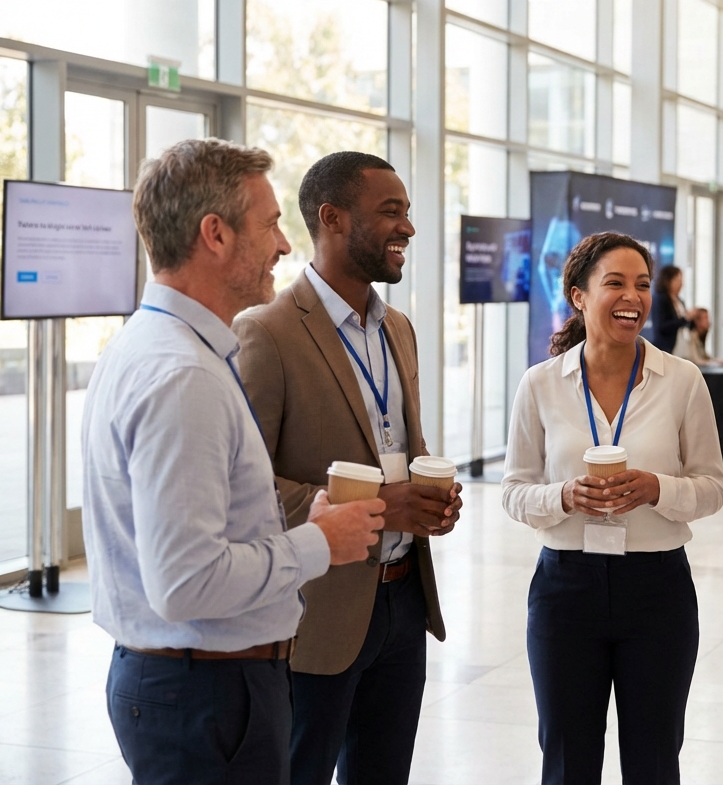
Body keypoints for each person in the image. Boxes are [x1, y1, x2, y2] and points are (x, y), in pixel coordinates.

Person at [82, 139, 387, 785]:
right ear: (214, 235)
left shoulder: (165, 347)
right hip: (208, 696)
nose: (283, 244)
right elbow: (186, 581)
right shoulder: (182, 374)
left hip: (198, 687)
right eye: (271, 223)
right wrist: (317, 545)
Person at [234, 152, 462, 785]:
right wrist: (381, 507)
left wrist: (428, 499)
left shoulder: (401, 331)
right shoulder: (267, 332)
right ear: (331, 219)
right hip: (317, 612)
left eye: (408, 212)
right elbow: (245, 486)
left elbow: (399, 449)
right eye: (391, 212)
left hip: (403, 601)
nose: (409, 228)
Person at [502, 231, 723, 785]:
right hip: (564, 591)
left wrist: (658, 489)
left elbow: (713, 486)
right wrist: (563, 496)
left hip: (657, 591)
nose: (634, 297)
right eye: (616, 283)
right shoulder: (540, 385)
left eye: (644, 285)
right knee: (566, 758)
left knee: (653, 758)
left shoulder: (682, 381)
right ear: (579, 296)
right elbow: (513, 489)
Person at [650, 263, 695, 354]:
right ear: (668, 280)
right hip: (666, 347)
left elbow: (685, 324)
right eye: (678, 280)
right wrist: (684, 319)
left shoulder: (680, 301)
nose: (681, 284)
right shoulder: (660, 299)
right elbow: (661, 326)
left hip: (682, 346)